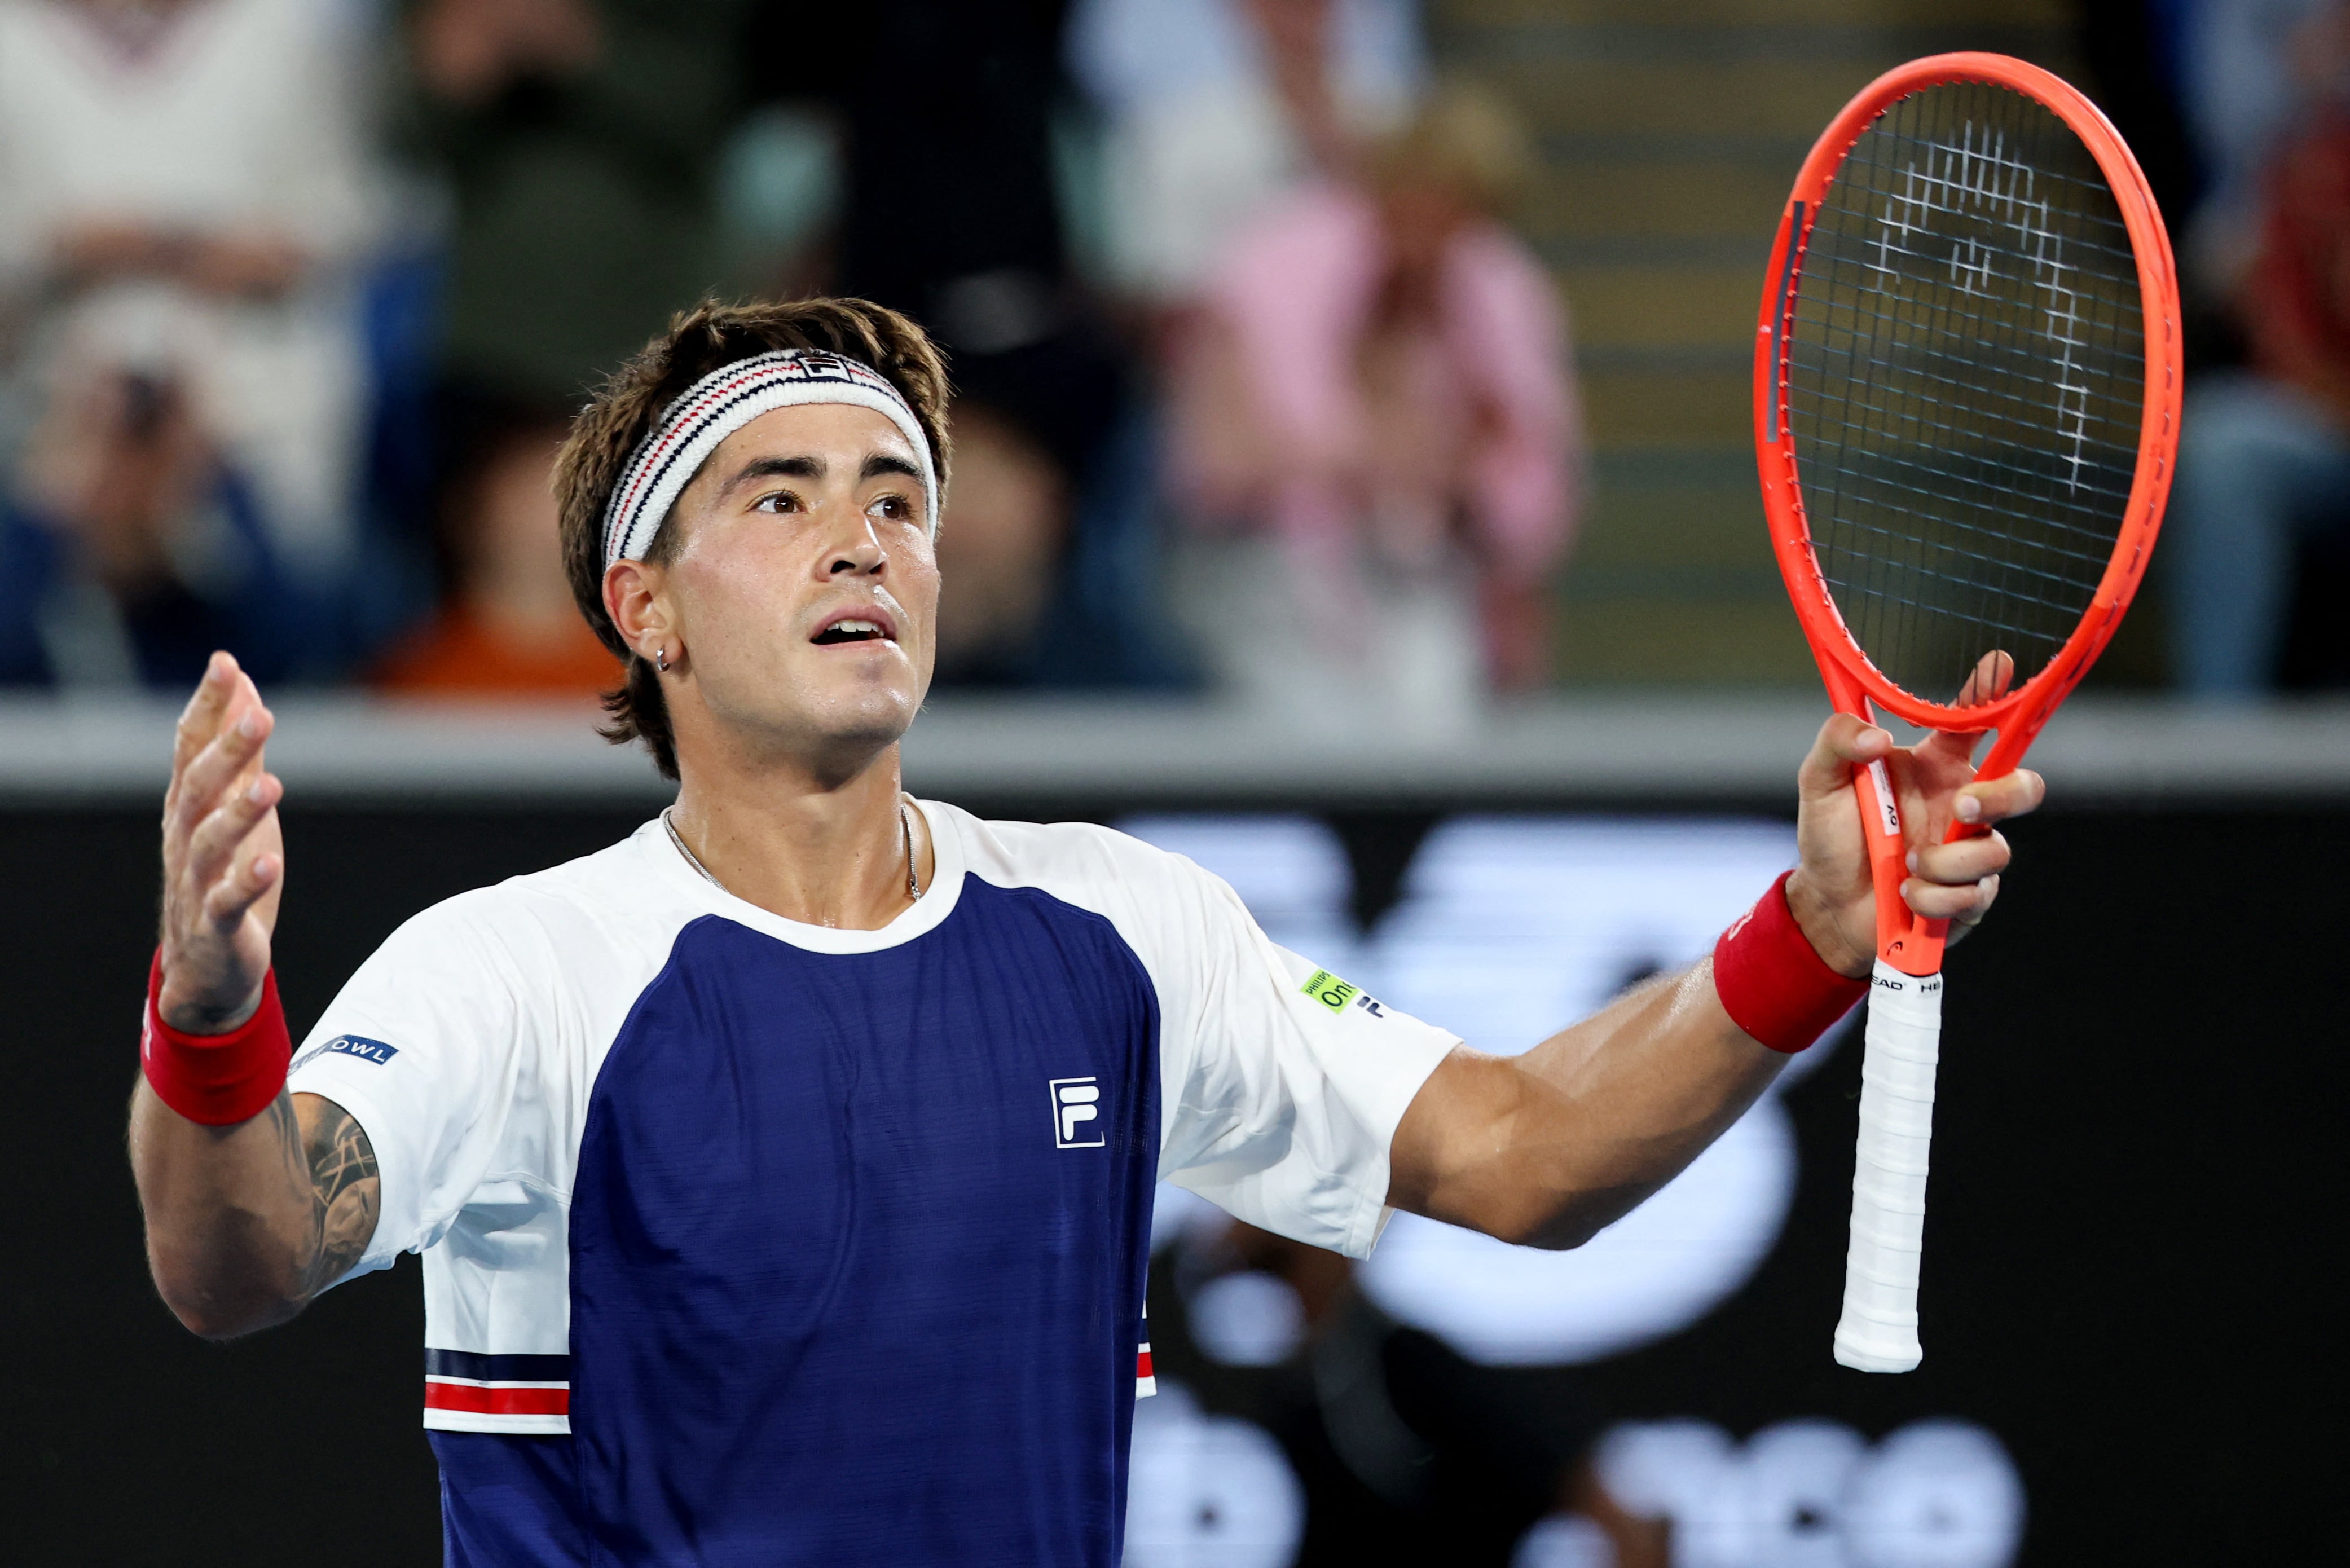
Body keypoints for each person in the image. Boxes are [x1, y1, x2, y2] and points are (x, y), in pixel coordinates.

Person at [129, 297, 2039, 1562]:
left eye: (898, 500)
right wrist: (213, 1014)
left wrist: (1802, 933)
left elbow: (1525, 1157)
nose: (860, 539)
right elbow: (241, 1256)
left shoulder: (1123, 931)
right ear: (647, 606)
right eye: (779, 499)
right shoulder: (513, 971)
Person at [1167, 84, 1581, 713]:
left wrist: (1458, 477)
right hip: (1266, 586)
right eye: (1413, 208)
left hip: (1435, 596)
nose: (1425, 241)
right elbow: (1214, 465)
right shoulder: (1265, 276)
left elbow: (1532, 491)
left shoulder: (1500, 298)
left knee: (1437, 678)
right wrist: (1356, 458)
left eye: (1453, 218)